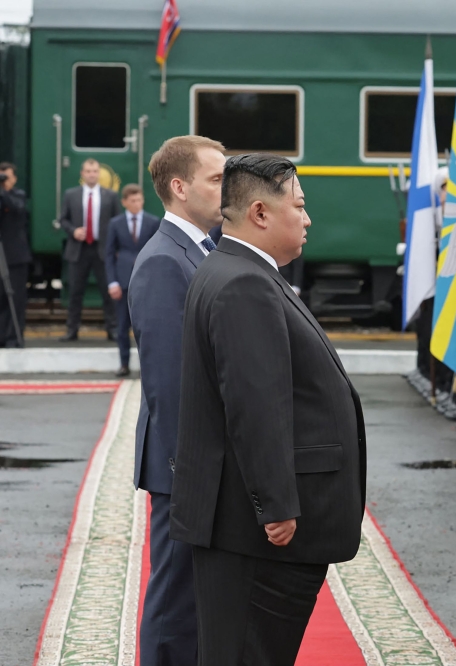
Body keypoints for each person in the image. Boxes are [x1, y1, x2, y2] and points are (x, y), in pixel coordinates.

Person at [170, 153, 366, 665]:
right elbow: (256, 405)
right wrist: (276, 505)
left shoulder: (234, 270)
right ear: (260, 212)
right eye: (298, 206)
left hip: (242, 522)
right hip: (258, 534)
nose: (306, 218)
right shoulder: (244, 283)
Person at [129, 135, 226, 666]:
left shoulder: (198, 250)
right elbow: (170, 382)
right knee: (174, 601)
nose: (225, 187)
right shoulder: (165, 261)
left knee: (193, 599)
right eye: (215, 178)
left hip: (194, 462)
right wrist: (189, 471)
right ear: (179, 187)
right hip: (182, 465)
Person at [59, 158, 121, 341]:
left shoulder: (110, 195)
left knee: (107, 291)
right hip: (78, 249)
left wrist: (116, 247)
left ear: (98, 174)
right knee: (75, 292)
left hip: (102, 250)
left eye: (95, 171)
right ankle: (72, 330)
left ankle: (112, 329)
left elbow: (117, 222)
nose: (92, 174)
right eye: (88, 171)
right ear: (82, 174)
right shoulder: (71, 194)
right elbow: (63, 219)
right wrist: (73, 231)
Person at [105, 184, 161, 377]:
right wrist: (112, 282)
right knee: (122, 326)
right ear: (124, 202)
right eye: (133, 201)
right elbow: (109, 254)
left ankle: (149, 366)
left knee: (146, 327)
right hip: (123, 282)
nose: (137, 204)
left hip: (146, 283)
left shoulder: (153, 222)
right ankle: (124, 364)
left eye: (139, 200)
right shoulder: (115, 224)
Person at [0, 162, 30, 347]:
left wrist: (3, 189)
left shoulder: (18, 195)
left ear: (14, 179)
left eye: (6, 176)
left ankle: (14, 336)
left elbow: (17, 207)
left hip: (15, 256)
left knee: (16, 298)